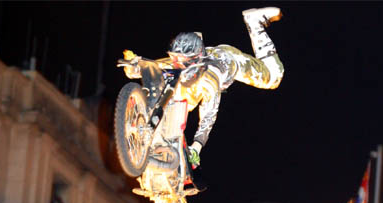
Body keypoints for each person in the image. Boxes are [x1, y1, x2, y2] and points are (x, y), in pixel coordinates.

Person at [121, 7, 284, 168]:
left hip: (231, 59)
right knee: (177, 93)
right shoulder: (180, 62)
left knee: (274, 78)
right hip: (200, 61)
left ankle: (254, 22)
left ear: (194, 60)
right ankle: (156, 134)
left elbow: (209, 115)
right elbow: (155, 66)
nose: (176, 63)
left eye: (180, 60)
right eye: (174, 58)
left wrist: (197, 147)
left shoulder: (210, 80)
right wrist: (133, 65)